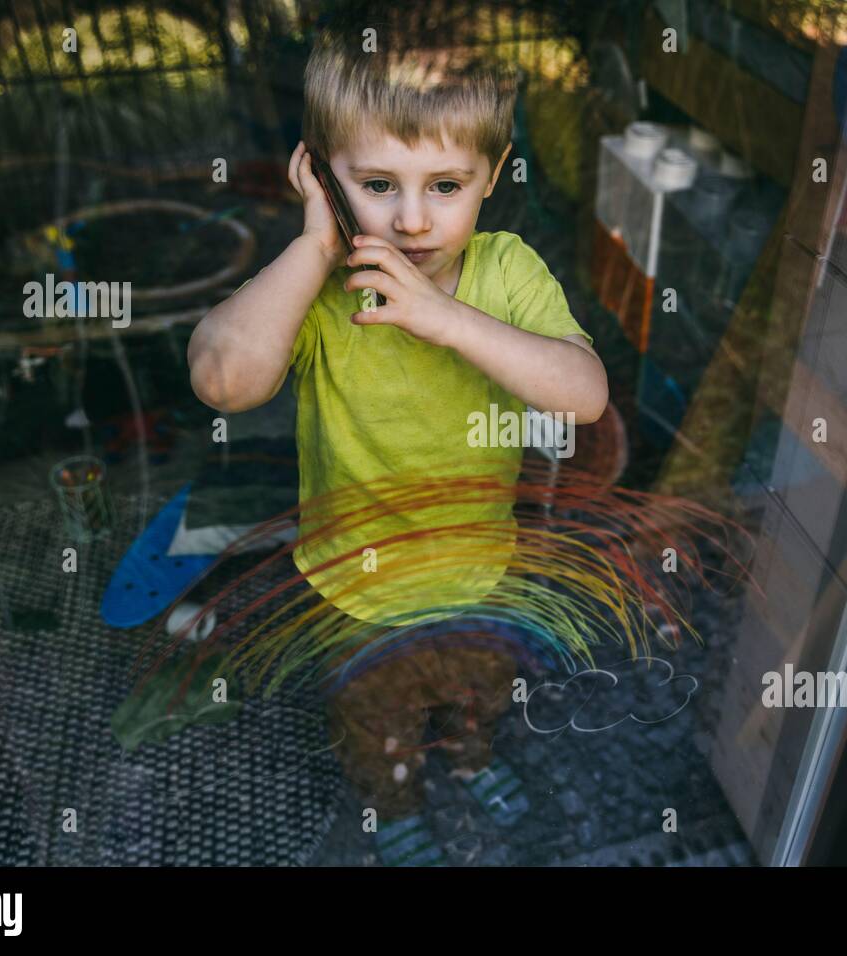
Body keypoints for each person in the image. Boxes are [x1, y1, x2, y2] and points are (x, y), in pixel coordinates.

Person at [187, 31, 607, 865]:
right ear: (321, 175)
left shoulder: (506, 273)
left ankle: (474, 757)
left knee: (476, 692)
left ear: (492, 175)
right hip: (353, 586)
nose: (412, 220)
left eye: (446, 185)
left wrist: (448, 320)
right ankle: (398, 802)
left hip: (481, 570)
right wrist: (311, 248)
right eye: (377, 184)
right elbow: (221, 380)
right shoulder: (317, 288)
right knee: (375, 719)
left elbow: (584, 394)